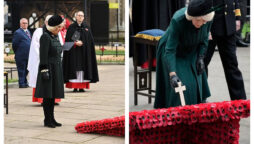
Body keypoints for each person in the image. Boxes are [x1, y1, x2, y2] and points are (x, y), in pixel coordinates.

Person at [154, 0, 216, 108]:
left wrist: (201, 57)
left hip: (192, 49)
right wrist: (172, 74)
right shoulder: (178, 20)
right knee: (181, 86)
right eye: (196, 20)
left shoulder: (208, 19)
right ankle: (176, 114)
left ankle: (196, 109)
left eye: (201, 21)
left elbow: (204, 39)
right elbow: (170, 50)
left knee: (195, 82)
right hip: (173, 51)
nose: (198, 23)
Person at [204, 0, 247, 100]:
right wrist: (204, 26)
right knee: (202, 64)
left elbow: (236, 1)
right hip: (210, 26)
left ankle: (239, 102)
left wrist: (237, 17)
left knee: (232, 65)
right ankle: (200, 99)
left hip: (228, 26)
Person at [34, 15, 64, 128]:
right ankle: (47, 120)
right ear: (55, 27)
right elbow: (43, 56)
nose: (61, 29)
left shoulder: (54, 36)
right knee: (47, 96)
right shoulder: (45, 37)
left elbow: (57, 51)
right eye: (59, 27)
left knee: (53, 96)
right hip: (48, 69)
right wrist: (44, 70)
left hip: (56, 69)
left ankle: (52, 118)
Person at [27, 15, 63, 104]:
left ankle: (54, 100)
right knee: (46, 85)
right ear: (47, 22)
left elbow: (59, 44)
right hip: (43, 61)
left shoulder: (55, 33)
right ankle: (43, 101)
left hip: (55, 62)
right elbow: (36, 46)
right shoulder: (39, 32)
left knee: (54, 84)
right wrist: (42, 57)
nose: (59, 28)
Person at [63, 11, 99, 92]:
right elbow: (68, 40)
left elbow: (90, 40)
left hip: (84, 52)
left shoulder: (86, 27)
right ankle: (75, 87)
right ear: (76, 17)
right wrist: (75, 43)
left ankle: (82, 87)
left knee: (83, 68)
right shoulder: (72, 27)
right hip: (74, 52)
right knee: (75, 68)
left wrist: (83, 43)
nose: (80, 17)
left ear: (83, 17)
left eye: (82, 16)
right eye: (79, 15)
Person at [12, 18, 31, 88]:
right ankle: (21, 83)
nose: (25, 24)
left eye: (26, 23)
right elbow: (14, 44)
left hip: (28, 55)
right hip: (20, 55)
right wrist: (18, 53)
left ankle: (25, 82)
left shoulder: (28, 31)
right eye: (23, 23)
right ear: (20, 24)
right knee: (21, 70)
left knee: (27, 69)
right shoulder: (18, 32)